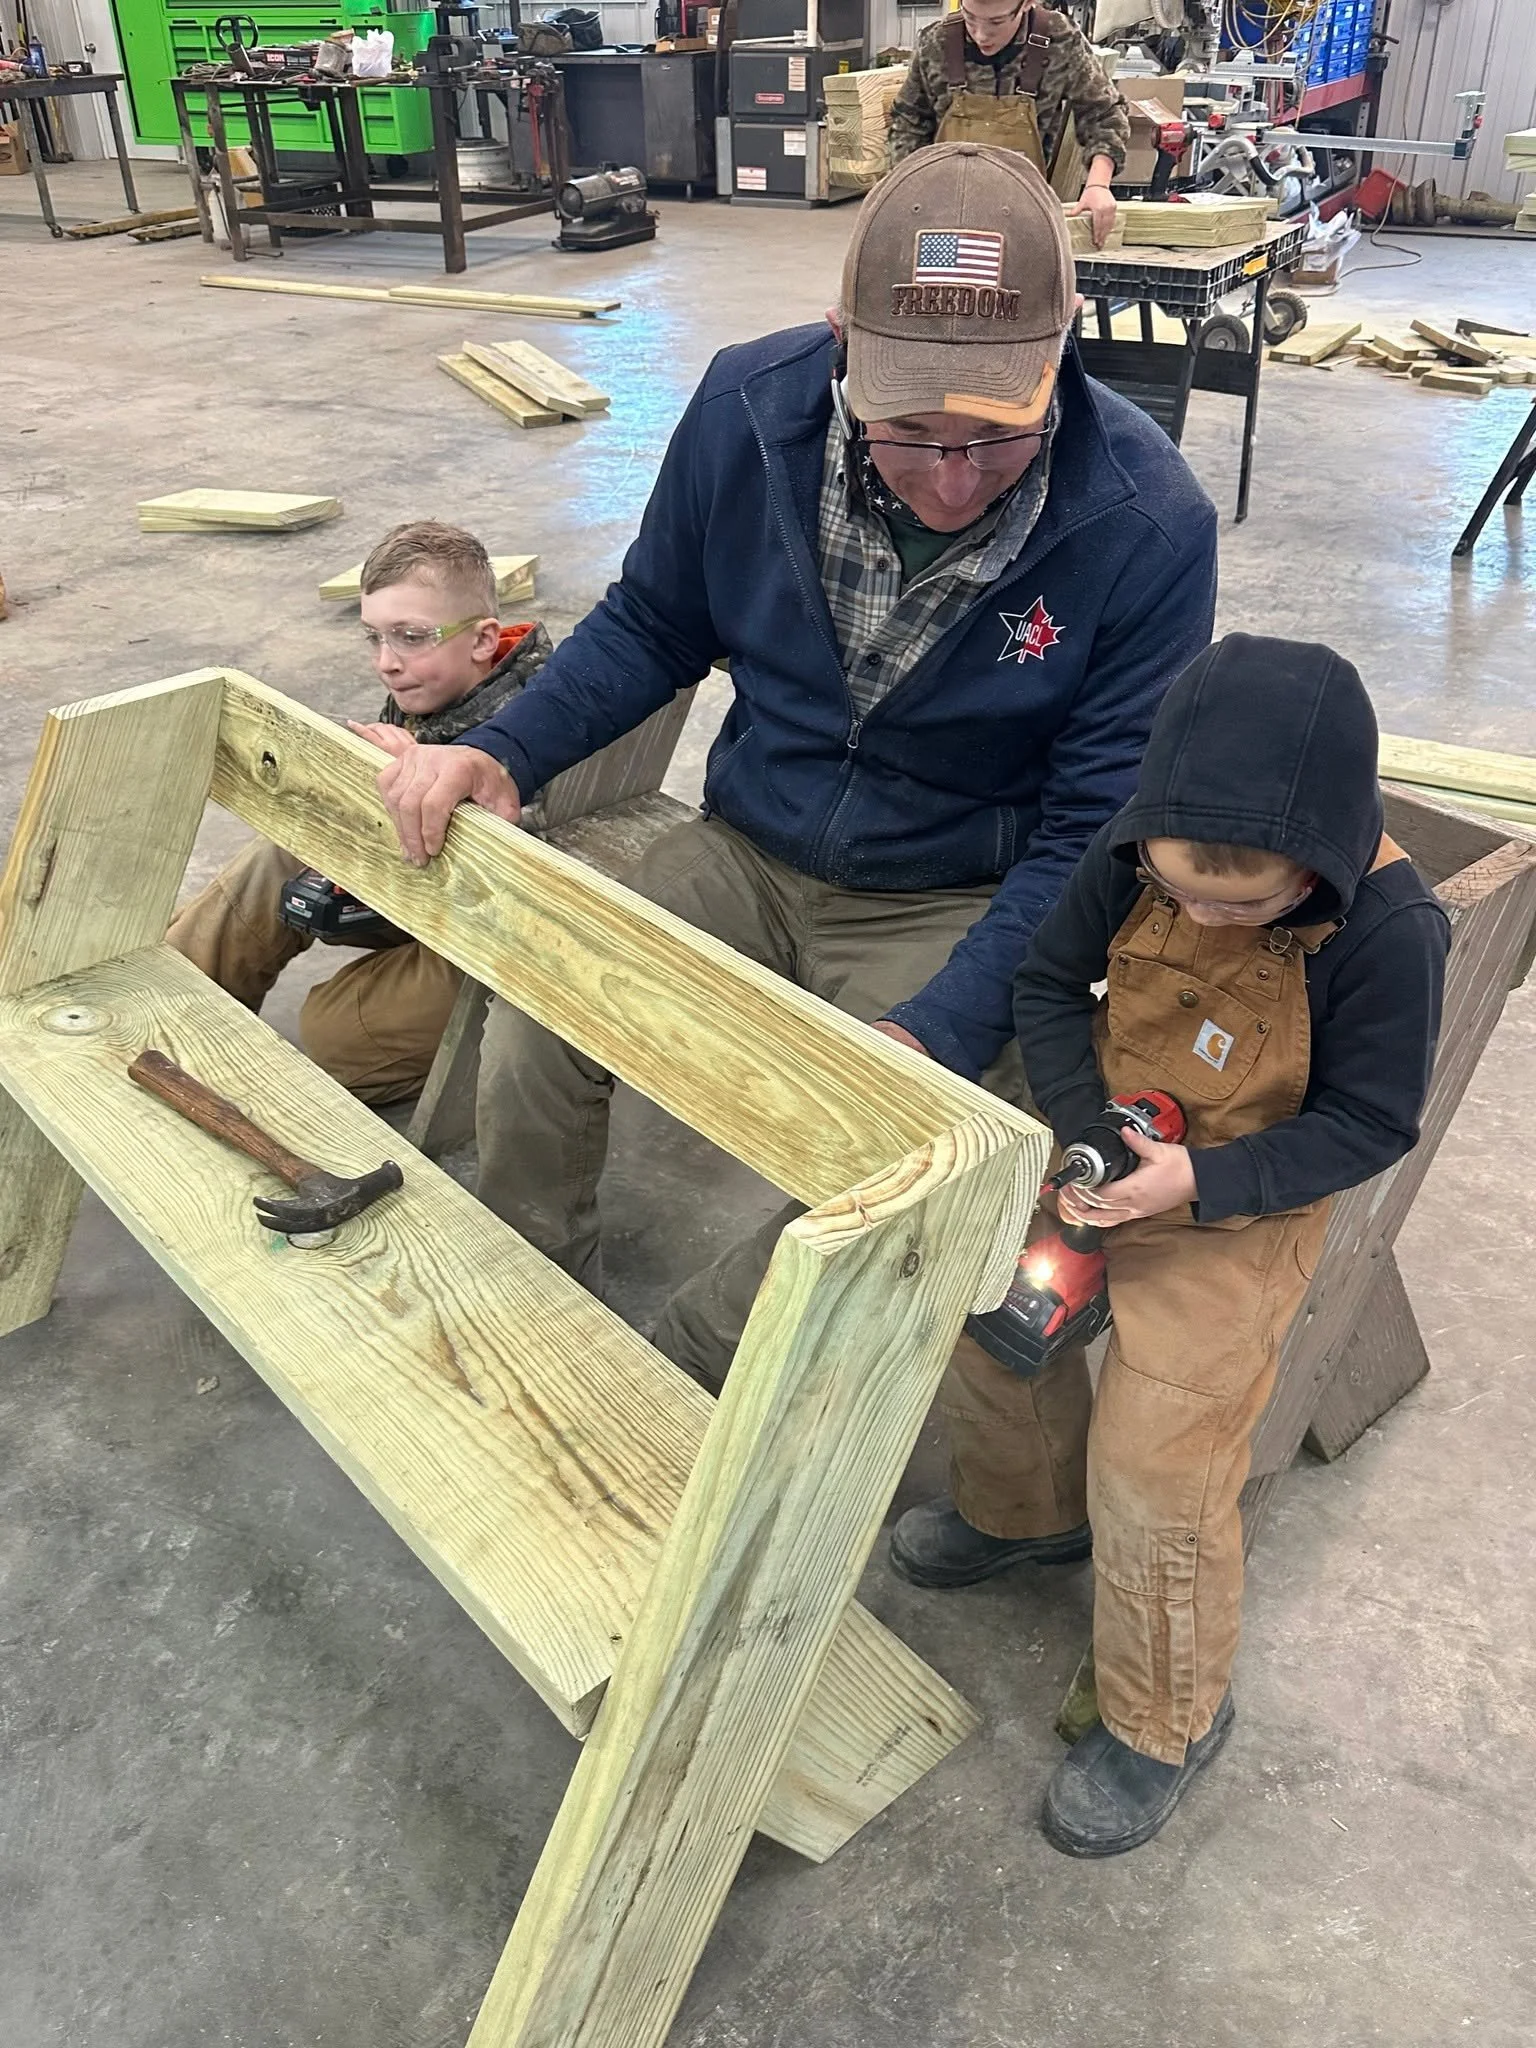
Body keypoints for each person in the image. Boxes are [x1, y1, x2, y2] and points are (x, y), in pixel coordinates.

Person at [356, 143, 1218, 1386]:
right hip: (748, 845)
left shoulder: (1147, 525)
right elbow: (657, 620)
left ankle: (691, 1369)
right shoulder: (746, 411)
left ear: (1064, 343)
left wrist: (941, 1028)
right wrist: (505, 745)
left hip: (951, 884)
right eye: (910, 430)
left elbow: (1095, 825)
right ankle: (528, 1306)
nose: (952, 478)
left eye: (998, 436)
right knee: (547, 990)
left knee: (941, 1143)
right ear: (840, 340)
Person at [891, 633, 1451, 1856]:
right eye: (1179, 886)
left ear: (1322, 863)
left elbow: (1369, 1122)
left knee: (1161, 1463)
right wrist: (1092, 1138)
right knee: (993, 1318)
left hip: (1240, 1201)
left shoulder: (1391, 931)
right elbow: (1048, 983)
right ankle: (1028, 1509)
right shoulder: (1131, 851)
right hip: (1113, 1147)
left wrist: (1199, 1180)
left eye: (1238, 903)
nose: (1198, 911)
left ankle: (1168, 1717)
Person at [168, 520, 551, 1103]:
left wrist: (424, 780)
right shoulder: (438, 689)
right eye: (374, 637)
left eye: (412, 636)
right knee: (280, 856)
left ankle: (501, 1066)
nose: (386, 663)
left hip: (502, 940)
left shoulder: (540, 720)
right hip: (423, 897)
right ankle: (172, 1002)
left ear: (482, 640)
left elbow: (525, 886)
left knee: (335, 1034)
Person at [887, 2, 1130, 249]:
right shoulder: (937, 42)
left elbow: (1104, 112)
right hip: (943, 216)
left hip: (1027, 217)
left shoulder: (1058, 40)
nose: (980, 34)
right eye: (970, 17)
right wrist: (908, 193)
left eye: (996, 22)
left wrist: (1098, 184)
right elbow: (908, 122)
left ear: (1026, 4)